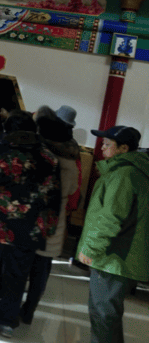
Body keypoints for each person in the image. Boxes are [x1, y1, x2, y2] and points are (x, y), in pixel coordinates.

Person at [0, 111, 61, 338]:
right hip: (29, 226)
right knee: (17, 274)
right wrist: (48, 227)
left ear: (8, 129)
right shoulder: (49, 157)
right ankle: (7, 320)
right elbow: (53, 196)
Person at [77, 125, 149, 343]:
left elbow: (110, 217)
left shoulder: (124, 174)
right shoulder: (130, 171)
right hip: (120, 257)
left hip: (113, 257)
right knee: (107, 314)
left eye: (108, 144)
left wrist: (90, 248)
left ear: (123, 148)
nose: (102, 148)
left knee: (103, 314)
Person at [19, 106, 80, 324]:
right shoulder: (72, 158)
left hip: (31, 218)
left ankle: (9, 307)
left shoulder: (40, 152)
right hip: (55, 222)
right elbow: (73, 190)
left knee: (20, 266)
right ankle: (29, 311)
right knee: (41, 271)